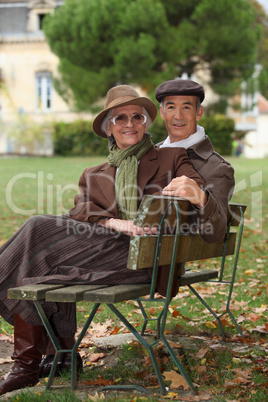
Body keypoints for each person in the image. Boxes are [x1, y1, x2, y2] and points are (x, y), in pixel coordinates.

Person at [0, 85, 205, 396]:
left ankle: (38, 361)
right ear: (109, 126)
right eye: (120, 118)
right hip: (107, 252)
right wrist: (114, 222)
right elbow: (80, 208)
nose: (129, 124)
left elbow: (194, 190)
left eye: (137, 116)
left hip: (149, 258)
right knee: (39, 263)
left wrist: (189, 191)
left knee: (38, 228)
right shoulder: (94, 173)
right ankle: (49, 358)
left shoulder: (172, 158)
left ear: (146, 122)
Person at [155, 79, 235, 243]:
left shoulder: (217, 167)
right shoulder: (151, 153)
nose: (178, 116)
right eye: (171, 107)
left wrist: (202, 199)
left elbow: (216, 233)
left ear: (199, 112)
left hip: (158, 262)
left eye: (186, 107)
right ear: (162, 113)